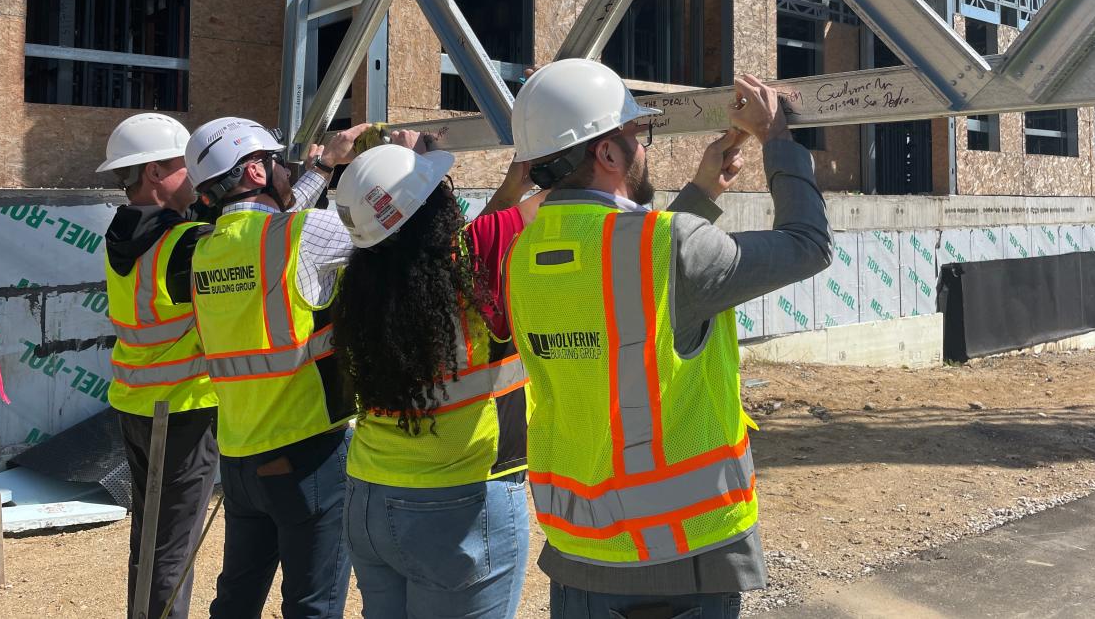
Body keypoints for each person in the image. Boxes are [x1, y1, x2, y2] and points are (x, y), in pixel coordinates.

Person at [504, 59, 834, 619]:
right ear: (607, 155)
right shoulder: (666, 246)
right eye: (637, 133)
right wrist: (778, 139)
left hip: (580, 550)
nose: (644, 146)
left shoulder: (525, 256)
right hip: (684, 555)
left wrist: (700, 194)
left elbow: (636, 281)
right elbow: (808, 244)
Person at [332, 142, 542, 618]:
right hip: (458, 503)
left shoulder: (363, 282)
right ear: (431, 212)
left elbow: (458, 245)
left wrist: (512, 182)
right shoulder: (471, 261)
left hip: (368, 497)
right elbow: (571, 194)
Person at [183, 117, 370, 619]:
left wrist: (324, 167)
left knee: (237, 600)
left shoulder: (204, 250)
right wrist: (411, 166)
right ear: (256, 172)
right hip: (308, 453)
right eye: (278, 161)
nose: (291, 169)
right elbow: (387, 230)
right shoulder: (299, 234)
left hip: (241, 460)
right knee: (314, 605)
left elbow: (276, 229)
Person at [98, 113, 218, 619]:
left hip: (137, 401)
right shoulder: (182, 242)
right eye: (185, 165)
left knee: (150, 536)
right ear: (153, 173)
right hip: (182, 408)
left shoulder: (122, 231)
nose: (196, 176)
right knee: (171, 542)